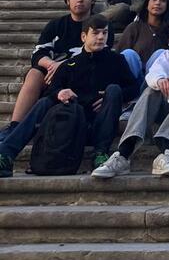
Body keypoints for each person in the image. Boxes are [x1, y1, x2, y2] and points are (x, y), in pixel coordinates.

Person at [0, 14, 136, 178]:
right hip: (73, 127)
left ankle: (101, 154)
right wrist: (60, 93)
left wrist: (109, 96)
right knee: (45, 102)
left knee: (114, 89)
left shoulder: (117, 60)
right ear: (84, 36)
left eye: (104, 33)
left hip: (101, 126)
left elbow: (134, 88)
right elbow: (52, 90)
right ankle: (6, 154)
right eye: (96, 33)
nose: (101, 37)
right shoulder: (70, 65)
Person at [93, 17, 169, 178]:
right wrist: (161, 81)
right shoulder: (165, 57)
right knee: (151, 90)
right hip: (164, 116)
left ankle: (167, 151)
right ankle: (123, 154)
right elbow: (152, 74)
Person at [1, 0, 97, 132]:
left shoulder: (99, 26)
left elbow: (96, 54)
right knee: (34, 73)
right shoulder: (56, 25)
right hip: (52, 76)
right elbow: (38, 53)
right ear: (67, 0)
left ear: (92, 0)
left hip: (82, 75)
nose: (80, 0)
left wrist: (63, 65)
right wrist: (52, 64)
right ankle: (14, 127)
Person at [116, 0, 169, 69]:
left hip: (159, 78)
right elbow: (120, 55)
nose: (158, 3)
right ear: (147, 4)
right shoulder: (134, 27)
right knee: (129, 54)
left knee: (161, 53)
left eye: (163, 0)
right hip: (134, 76)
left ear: (167, 6)